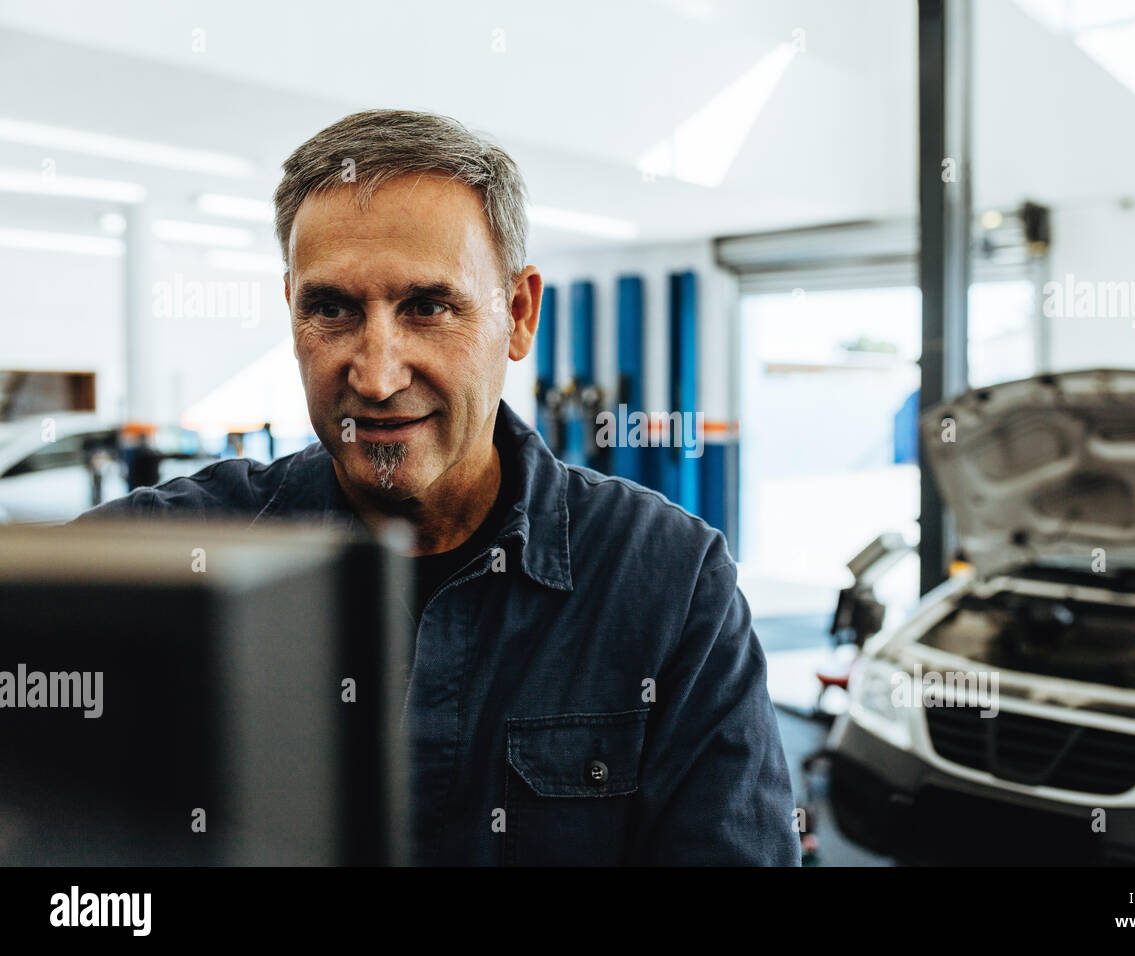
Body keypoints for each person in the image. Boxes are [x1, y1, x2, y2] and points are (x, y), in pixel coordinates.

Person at [78, 109, 799, 866]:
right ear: (292, 311)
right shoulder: (162, 559)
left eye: (427, 307)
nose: (378, 375)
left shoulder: (670, 584)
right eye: (332, 309)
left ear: (518, 316)